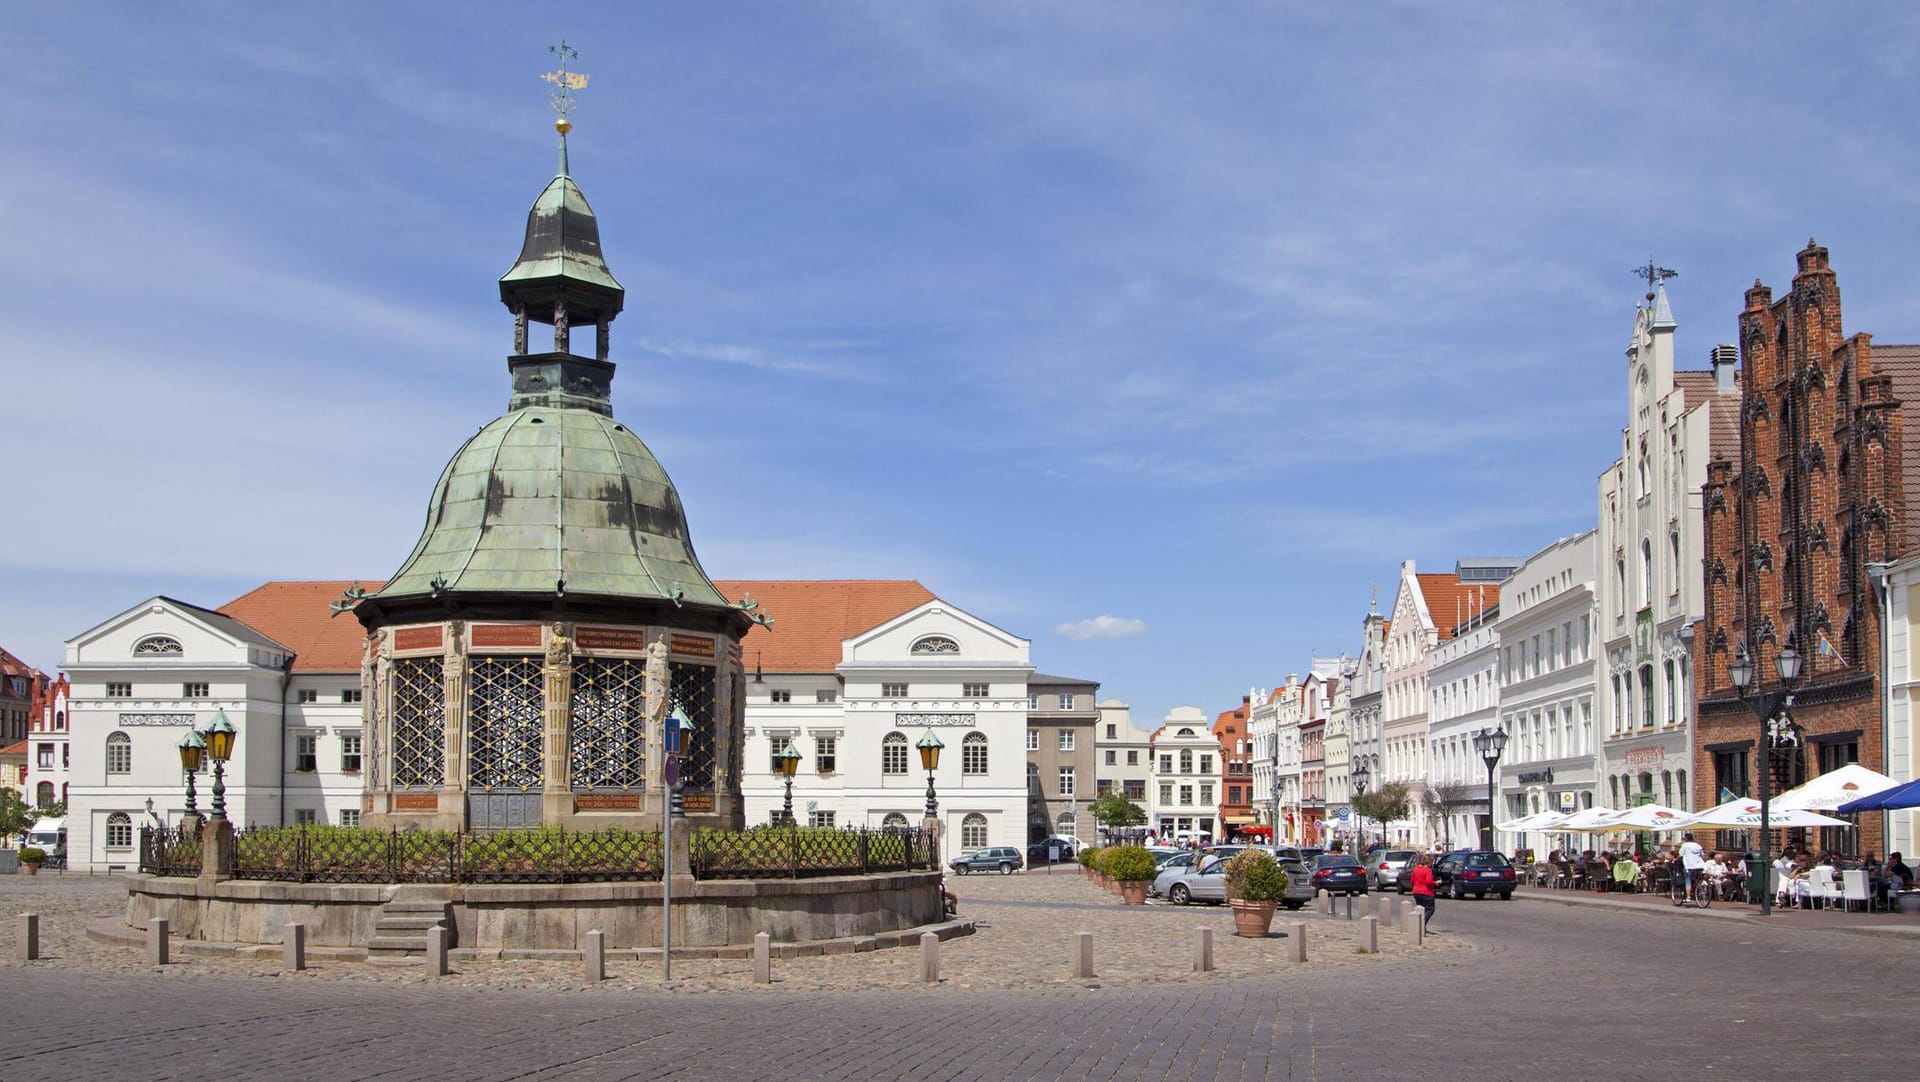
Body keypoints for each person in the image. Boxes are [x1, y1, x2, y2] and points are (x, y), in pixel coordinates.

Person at [1410, 852, 1437, 930]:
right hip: (1426, 892)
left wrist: (1414, 888)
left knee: (1421, 909)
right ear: (1428, 863)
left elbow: (1412, 881)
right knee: (1430, 909)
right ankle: (1421, 924)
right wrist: (1435, 883)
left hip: (1416, 892)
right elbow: (1428, 882)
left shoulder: (1415, 869)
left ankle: (1420, 926)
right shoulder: (1428, 870)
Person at [1679, 832, 1707, 904]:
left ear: (1685, 839)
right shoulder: (1698, 845)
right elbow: (1702, 856)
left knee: (1688, 880)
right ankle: (1701, 889)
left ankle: (1688, 897)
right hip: (1700, 866)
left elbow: (1681, 854)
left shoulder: (1685, 845)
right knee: (1698, 879)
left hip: (1689, 866)